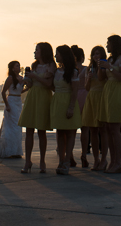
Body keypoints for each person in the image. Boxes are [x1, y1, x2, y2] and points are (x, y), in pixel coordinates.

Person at [18, 42, 56, 173]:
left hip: (43, 96)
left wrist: (35, 77)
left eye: (37, 50)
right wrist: (27, 80)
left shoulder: (51, 65)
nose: (35, 52)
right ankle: (28, 160)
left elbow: (48, 84)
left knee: (41, 131)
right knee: (29, 129)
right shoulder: (34, 65)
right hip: (32, 95)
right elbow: (31, 83)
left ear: (43, 51)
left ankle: (42, 160)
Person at [98, 34, 121, 173]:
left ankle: (118, 161)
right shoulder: (110, 59)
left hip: (118, 92)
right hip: (108, 92)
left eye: (108, 43)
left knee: (115, 127)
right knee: (107, 127)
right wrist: (101, 67)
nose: (106, 45)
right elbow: (101, 78)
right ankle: (112, 161)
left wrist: (110, 67)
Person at [50, 45, 82, 175]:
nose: (56, 56)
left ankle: (67, 161)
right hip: (58, 101)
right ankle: (61, 159)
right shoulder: (57, 71)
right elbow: (54, 87)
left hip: (68, 101)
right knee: (60, 132)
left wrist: (71, 107)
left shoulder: (73, 71)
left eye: (57, 54)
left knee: (69, 133)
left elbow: (75, 90)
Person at [0, 61, 26, 158]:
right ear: (13, 68)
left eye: (19, 66)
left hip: (18, 101)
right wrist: (7, 105)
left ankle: (16, 150)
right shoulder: (10, 78)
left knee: (18, 126)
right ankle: (9, 150)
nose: (19, 67)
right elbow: (3, 92)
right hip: (11, 101)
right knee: (11, 126)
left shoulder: (21, 78)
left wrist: (27, 88)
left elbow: (19, 91)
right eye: (17, 66)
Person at [82, 45, 108, 171]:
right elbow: (86, 88)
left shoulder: (105, 67)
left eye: (98, 54)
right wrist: (89, 79)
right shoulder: (89, 69)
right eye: (94, 54)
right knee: (92, 130)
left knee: (103, 130)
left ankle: (104, 159)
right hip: (91, 97)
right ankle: (96, 159)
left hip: (102, 97)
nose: (96, 56)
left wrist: (100, 68)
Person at [71, 45, 89, 168]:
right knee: (84, 129)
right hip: (84, 96)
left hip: (75, 96)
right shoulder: (85, 69)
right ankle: (83, 155)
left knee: (72, 129)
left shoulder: (69, 70)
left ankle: (71, 155)